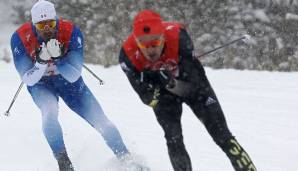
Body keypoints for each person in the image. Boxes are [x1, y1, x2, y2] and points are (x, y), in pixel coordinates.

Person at [119, 10, 257, 171]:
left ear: (163, 36)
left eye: (155, 42)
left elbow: (195, 87)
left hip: (193, 88)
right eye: (143, 44)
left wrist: (171, 83)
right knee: (174, 139)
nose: (150, 50)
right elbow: (148, 99)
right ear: (135, 41)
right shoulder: (127, 56)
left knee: (223, 136)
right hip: (164, 96)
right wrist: (155, 82)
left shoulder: (178, 37)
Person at [10, 0, 134, 170]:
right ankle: (64, 163)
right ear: (33, 24)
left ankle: (126, 159)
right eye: (41, 25)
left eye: (51, 24)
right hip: (40, 84)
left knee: (100, 120)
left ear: (57, 21)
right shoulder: (20, 38)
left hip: (69, 82)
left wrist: (59, 59)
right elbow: (28, 79)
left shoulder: (70, 32)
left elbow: (74, 74)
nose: (46, 29)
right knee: (49, 112)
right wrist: (40, 63)